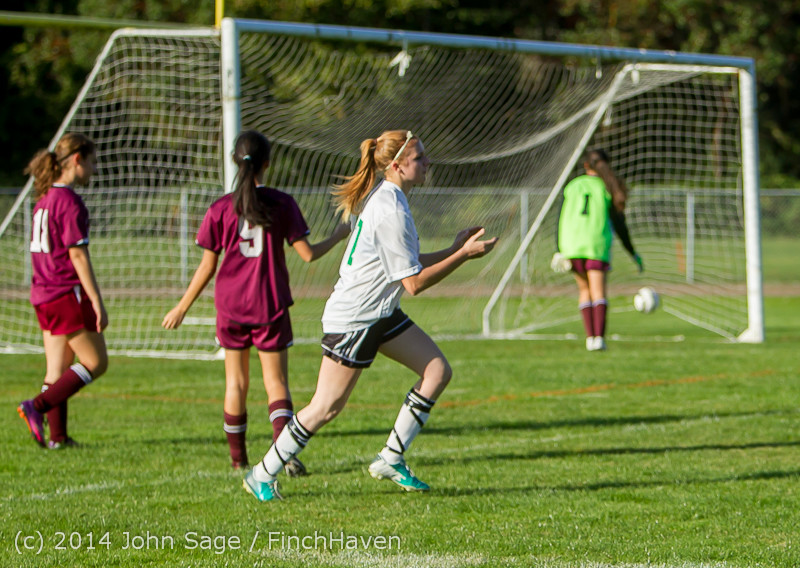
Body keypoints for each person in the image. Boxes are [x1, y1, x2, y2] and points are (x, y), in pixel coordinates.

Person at [242, 129, 498, 501]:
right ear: (397, 165)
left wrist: (453, 248)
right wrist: (463, 256)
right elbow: (413, 284)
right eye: (419, 158)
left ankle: (391, 457)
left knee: (437, 370)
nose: (427, 163)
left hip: (380, 313)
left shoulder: (392, 198)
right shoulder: (390, 207)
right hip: (356, 319)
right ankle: (262, 473)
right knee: (325, 407)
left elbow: (408, 263)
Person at [162, 130, 350, 473]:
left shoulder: (220, 208)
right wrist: (338, 236)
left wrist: (182, 307)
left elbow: (207, 267)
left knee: (235, 384)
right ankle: (283, 456)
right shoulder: (282, 203)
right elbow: (307, 254)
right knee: (276, 383)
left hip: (230, 307)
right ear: (267, 163)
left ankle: (238, 461)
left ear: (236, 162)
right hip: (269, 304)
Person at [17, 133, 109, 449]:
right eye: (92, 162)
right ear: (76, 160)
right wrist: (96, 301)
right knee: (96, 362)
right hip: (64, 293)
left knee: (57, 369)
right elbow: (78, 255)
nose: (94, 170)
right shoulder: (69, 202)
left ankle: (57, 438)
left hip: (42, 293)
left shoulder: (43, 200)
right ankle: (36, 406)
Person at [556, 148, 642, 352]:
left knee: (584, 291)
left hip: (571, 246)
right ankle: (599, 339)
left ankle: (589, 338)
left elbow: (561, 217)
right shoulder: (606, 188)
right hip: (596, 244)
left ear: (586, 165)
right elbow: (619, 225)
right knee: (598, 292)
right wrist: (632, 252)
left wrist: (558, 249)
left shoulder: (573, 185)